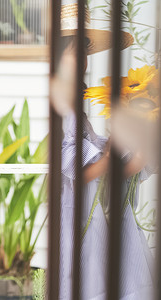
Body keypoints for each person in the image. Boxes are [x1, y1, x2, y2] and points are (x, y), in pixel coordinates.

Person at [57, 1, 155, 299]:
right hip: (81, 208)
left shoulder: (77, 100)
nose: (83, 61)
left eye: (85, 53)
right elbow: (75, 162)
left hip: (96, 206)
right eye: (75, 53)